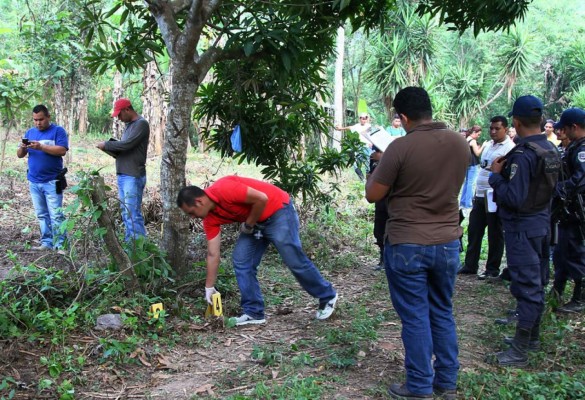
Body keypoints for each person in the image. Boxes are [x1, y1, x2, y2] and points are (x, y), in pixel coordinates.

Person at [366, 87, 468, 400]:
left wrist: (381, 164)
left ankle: (419, 386)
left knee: (414, 315)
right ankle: (447, 382)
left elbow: (373, 194)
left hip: (408, 242)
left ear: (404, 117)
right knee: (441, 310)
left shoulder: (400, 148)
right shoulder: (460, 143)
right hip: (448, 241)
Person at [176, 176, 338, 326]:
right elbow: (213, 254)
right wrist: (209, 287)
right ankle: (253, 312)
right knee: (241, 260)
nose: (192, 218)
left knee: (292, 258)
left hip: (278, 211)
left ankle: (327, 296)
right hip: (255, 222)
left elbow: (262, 198)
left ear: (199, 201)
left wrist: (248, 225)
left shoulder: (224, 189)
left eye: (191, 212)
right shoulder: (209, 219)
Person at [486, 95, 559, 366]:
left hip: (523, 228)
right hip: (542, 225)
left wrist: (495, 177)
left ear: (515, 122)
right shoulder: (550, 150)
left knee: (527, 287)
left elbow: (514, 197)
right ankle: (532, 338)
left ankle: (519, 350)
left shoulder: (524, 155)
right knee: (537, 283)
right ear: (540, 121)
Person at [458, 116, 515, 279]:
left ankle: (492, 268)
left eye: (497, 128)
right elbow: (482, 167)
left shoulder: (510, 148)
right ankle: (470, 265)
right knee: (475, 230)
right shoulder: (488, 145)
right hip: (480, 193)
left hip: (495, 197)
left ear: (505, 128)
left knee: (495, 233)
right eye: (491, 128)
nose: (493, 131)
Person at [17, 105, 69, 252]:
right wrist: (22, 147)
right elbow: (20, 154)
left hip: (53, 180)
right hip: (34, 180)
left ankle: (60, 245)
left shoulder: (58, 131)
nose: (38, 123)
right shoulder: (30, 132)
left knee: (56, 214)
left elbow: (62, 150)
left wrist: (41, 147)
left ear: (48, 117)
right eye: (35, 120)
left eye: (40, 119)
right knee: (41, 214)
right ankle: (47, 242)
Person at [97, 98, 150, 242]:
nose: (119, 118)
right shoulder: (129, 125)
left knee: (132, 213)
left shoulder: (141, 124)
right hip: (124, 175)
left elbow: (127, 145)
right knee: (126, 212)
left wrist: (107, 145)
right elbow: (125, 148)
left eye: (119, 115)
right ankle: (130, 244)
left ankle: (138, 247)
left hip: (132, 175)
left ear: (127, 109)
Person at [551, 108, 585, 314]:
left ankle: (579, 298)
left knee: (576, 254)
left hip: (576, 211)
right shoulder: (574, 147)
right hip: (567, 212)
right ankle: (557, 292)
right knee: (562, 254)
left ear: (574, 127)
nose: (561, 132)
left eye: (564, 128)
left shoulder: (582, 150)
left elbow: (581, 179)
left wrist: (560, 189)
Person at [336, 112, 372, 180]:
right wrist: (341, 128)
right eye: (362, 118)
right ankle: (363, 179)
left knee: (368, 165)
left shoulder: (369, 126)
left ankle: (368, 181)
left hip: (367, 147)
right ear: (360, 119)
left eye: (365, 118)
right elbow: (349, 128)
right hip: (358, 147)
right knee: (355, 165)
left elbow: (373, 134)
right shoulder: (356, 126)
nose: (364, 120)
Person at [460, 125, 483, 210]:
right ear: (474, 132)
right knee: (470, 183)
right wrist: (483, 146)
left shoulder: (466, 139)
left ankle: (463, 202)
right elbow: (477, 153)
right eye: (478, 134)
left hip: (467, 164)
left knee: (467, 183)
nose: (478, 136)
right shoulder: (472, 141)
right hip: (472, 164)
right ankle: (468, 203)